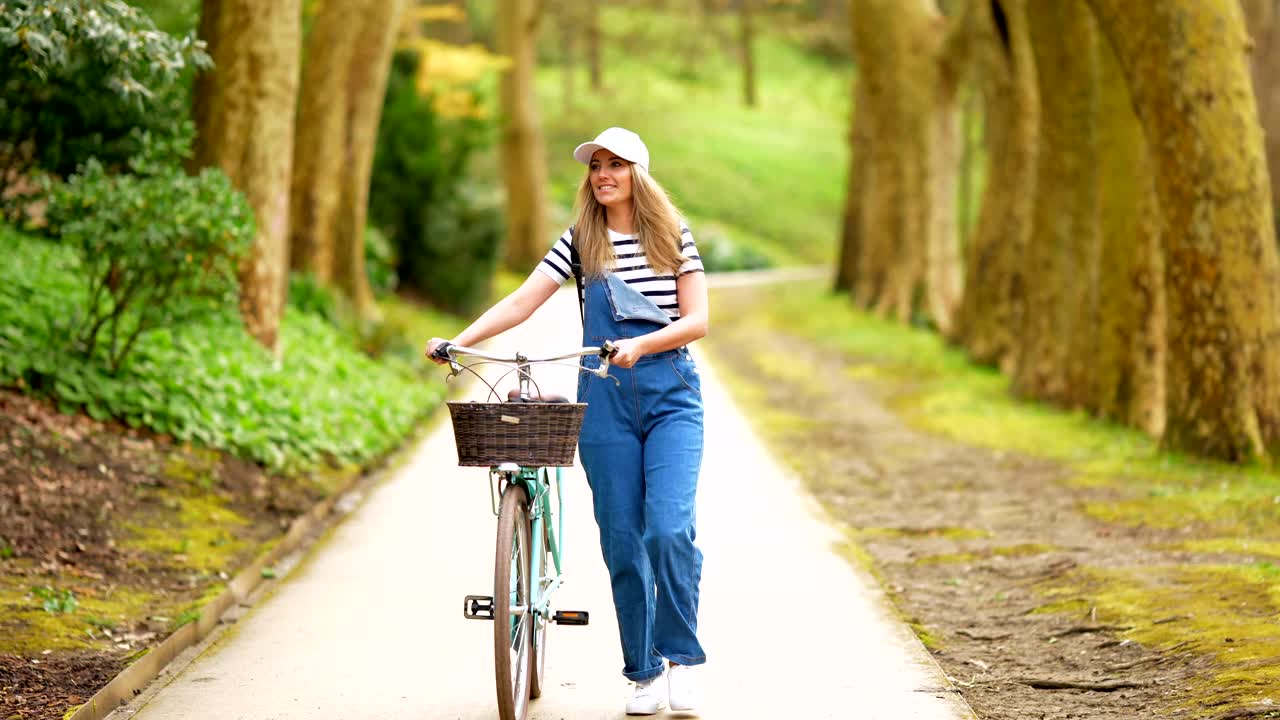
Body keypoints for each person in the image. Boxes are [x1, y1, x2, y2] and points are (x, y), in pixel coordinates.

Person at [426, 126, 708, 716]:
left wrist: (643, 346)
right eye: (595, 166)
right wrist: (460, 340)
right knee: (623, 540)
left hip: (671, 395)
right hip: (604, 401)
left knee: (668, 529)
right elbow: (523, 300)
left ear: (638, 174)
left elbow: (697, 321)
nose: (602, 174)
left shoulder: (673, 236)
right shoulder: (581, 241)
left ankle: (681, 660)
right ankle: (644, 673)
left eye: (616, 165)